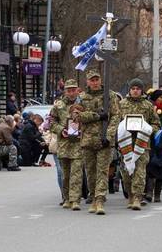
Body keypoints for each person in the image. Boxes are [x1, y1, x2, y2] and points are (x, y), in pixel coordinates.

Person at [78, 69, 120, 215]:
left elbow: (115, 116)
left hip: (104, 141)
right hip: (87, 140)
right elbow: (77, 116)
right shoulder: (82, 97)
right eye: (92, 80)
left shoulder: (110, 95)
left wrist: (109, 136)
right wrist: (96, 116)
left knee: (102, 170)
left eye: (97, 80)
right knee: (90, 172)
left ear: (101, 80)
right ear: (87, 81)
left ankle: (100, 199)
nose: (95, 83)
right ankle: (92, 195)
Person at [117, 78, 160, 210]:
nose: (135, 91)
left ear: (141, 90)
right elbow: (116, 121)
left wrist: (147, 129)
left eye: (138, 89)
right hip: (126, 143)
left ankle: (137, 197)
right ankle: (130, 195)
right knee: (126, 172)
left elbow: (156, 123)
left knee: (140, 172)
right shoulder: (121, 104)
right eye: (133, 88)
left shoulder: (147, 105)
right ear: (129, 90)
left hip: (142, 144)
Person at [50, 80, 84, 209]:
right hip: (64, 143)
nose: (71, 93)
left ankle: (75, 199)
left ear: (77, 90)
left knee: (76, 173)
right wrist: (60, 130)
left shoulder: (83, 103)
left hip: (78, 143)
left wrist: (83, 130)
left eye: (73, 90)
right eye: (68, 90)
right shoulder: (58, 105)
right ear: (65, 91)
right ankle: (66, 198)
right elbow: (51, 122)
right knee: (65, 174)